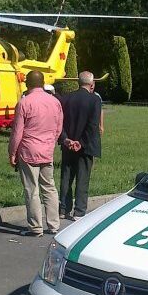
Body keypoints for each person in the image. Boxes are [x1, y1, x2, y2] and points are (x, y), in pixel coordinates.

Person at [8, 70, 63, 237]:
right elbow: (58, 128)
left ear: (27, 84)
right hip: (47, 150)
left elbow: (17, 132)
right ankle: (54, 225)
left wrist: (12, 152)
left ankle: (36, 227)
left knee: (32, 190)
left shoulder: (24, 103)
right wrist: (50, 142)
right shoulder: (55, 102)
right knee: (50, 188)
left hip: (28, 151)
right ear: (43, 82)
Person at [58, 71, 102, 220]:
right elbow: (93, 125)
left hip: (68, 144)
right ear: (92, 84)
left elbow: (59, 122)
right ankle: (79, 211)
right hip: (85, 145)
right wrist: (81, 142)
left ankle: (63, 209)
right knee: (83, 178)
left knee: (66, 177)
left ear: (78, 82)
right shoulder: (94, 100)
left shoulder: (66, 98)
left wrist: (66, 139)